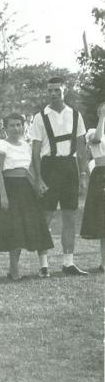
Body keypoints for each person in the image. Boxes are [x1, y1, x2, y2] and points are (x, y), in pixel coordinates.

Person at [30, 77, 90, 276]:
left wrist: (82, 174)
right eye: (50, 90)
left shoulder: (75, 115)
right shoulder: (40, 117)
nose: (54, 93)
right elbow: (36, 151)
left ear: (65, 90)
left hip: (69, 167)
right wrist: (38, 178)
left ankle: (68, 263)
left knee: (70, 216)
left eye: (57, 90)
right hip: (49, 167)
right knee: (46, 216)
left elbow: (81, 148)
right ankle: (44, 265)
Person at [0, 114, 54, 280]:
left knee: (23, 228)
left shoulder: (26, 145)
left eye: (19, 125)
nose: (16, 129)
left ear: (24, 126)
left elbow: (26, 170)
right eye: (12, 125)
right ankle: (13, 269)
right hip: (8, 188)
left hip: (25, 190)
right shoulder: (0, 145)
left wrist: (37, 185)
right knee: (12, 228)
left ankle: (15, 268)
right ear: (5, 128)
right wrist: (3, 195)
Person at [80, 102, 105, 272]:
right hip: (101, 173)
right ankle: (104, 261)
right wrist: (102, 117)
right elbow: (96, 140)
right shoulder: (92, 132)